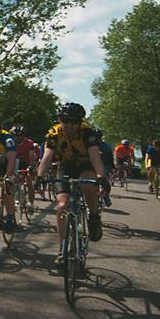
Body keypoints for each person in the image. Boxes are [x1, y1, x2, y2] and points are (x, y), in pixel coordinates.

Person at [36, 103, 107, 267]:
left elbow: (95, 157)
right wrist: (39, 177)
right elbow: (47, 157)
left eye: (74, 122)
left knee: (88, 186)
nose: (69, 125)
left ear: (80, 122)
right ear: (59, 120)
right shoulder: (54, 134)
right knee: (62, 206)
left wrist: (101, 177)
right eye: (65, 121)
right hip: (66, 167)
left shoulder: (88, 133)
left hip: (86, 165)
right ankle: (63, 249)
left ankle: (94, 217)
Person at [10, 125, 36, 211]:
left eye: (19, 135)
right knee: (12, 182)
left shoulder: (29, 143)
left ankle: (31, 203)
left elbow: (31, 156)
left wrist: (31, 167)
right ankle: (12, 201)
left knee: (29, 182)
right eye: (15, 136)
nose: (17, 138)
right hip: (15, 163)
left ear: (23, 135)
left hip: (27, 163)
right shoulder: (11, 143)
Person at [93, 128, 113, 207]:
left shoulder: (106, 146)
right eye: (95, 138)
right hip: (91, 165)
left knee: (105, 183)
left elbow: (110, 158)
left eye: (98, 138)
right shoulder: (88, 144)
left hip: (104, 165)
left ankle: (105, 195)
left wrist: (112, 167)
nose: (97, 139)